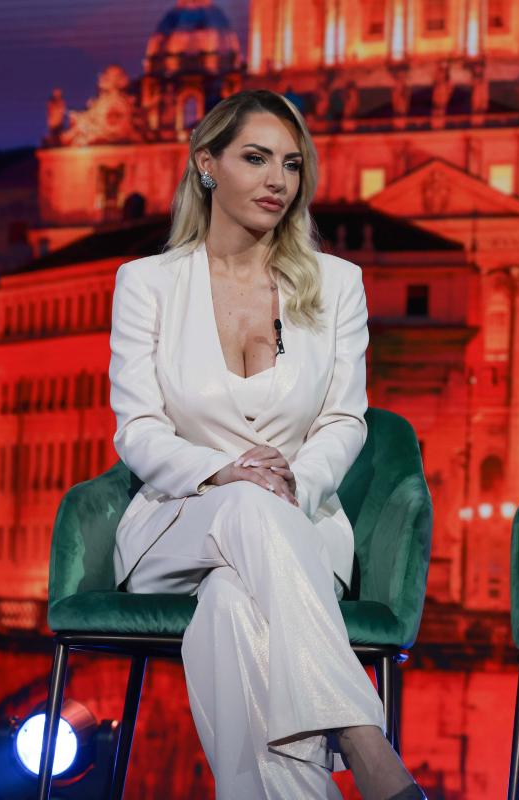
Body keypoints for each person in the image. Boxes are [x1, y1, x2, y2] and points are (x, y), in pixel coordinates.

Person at [108, 89, 425, 800]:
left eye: (291, 163)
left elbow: (344, 420)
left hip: (299, 528)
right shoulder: (147, 283)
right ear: (207, 165)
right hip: (177, 523)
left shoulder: (338, 284)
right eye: (256, 159)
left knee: (228, 610)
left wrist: (297, 483)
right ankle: (362, 736)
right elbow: (137, 428)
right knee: (248, 506)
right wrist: (225, 471)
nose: (277, 180)